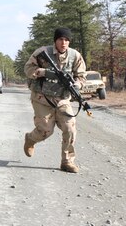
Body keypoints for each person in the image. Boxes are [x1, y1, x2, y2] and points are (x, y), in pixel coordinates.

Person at [23, 27, 86, 173]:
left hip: (63, 99)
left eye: (66, 40)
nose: (63, 43)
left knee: (70, 128)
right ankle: (30, 139)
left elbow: (81, 76)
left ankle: (67, 162)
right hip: (41, 98)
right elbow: (27, 69)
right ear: (55, 41)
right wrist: (42, 72)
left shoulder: (75, 56)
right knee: (45, 130)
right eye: (60, 39)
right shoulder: (42, 53)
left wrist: (77, 85)